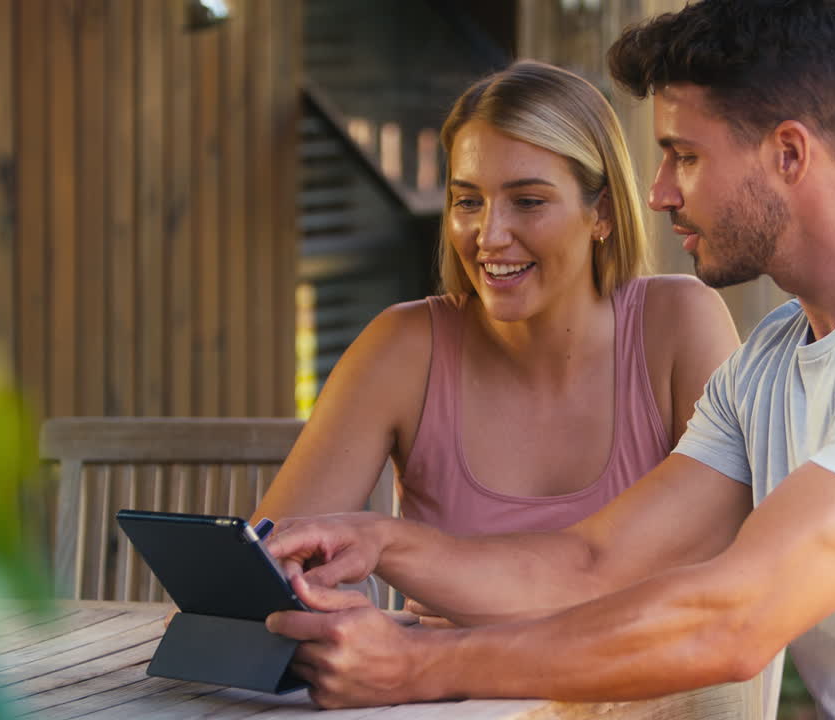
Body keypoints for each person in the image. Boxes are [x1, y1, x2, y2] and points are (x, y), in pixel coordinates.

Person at [265, 1, 835, 717]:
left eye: (684, 156)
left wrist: (423, 666)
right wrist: (378, 541)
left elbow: (734, 620)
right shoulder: (770, 360)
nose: (658, 192)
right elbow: (590, 566)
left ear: (788, 153)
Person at [252, 61, 737, 545]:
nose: (489, 235)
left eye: (527, 202)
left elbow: (730, 569)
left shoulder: (680, 324)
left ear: (602, 213)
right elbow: (270, 564)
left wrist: (394, 552)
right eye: (468, 202)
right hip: (431, 629)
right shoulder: (404, 347)